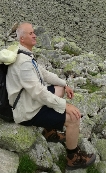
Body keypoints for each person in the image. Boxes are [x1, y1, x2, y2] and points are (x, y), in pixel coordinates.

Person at [6, 22, 95, 169]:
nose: (35, 35)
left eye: (34, 32)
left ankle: (49, 130)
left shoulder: (24, 54)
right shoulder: (24, 63)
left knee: (59, 89)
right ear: (22, 39)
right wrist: (65, 105)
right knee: (73, 119)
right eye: (30, 33)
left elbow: (44, 74)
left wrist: (64, 84)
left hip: (29, 101)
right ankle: (72, 158)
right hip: (27, 111)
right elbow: (39, 93)